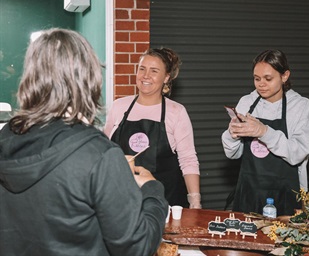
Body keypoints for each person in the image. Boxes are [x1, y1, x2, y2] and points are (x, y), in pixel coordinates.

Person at [0, 28, 169, 256]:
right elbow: (136, 246)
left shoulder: (6, 138)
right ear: (87, 79)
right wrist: (153, 191)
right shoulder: (99, 154)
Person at [104, 47, 201, 209]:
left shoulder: (176, 111)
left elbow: (188, 160)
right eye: (142, 69)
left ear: (166, 77)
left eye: (154, 71)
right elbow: (105, 152)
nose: (146, 76)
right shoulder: (118, 107)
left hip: (164, 201)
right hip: (121, 201)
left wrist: (195, 201)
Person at [222, 49, 309, 216]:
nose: (261, 84)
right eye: (256, 79)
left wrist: (264, 131)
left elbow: (298, 153)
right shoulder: (247, 102)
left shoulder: (300, 106)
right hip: (249, 192)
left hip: (285, 194)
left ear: (285, 76)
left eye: (268, 78)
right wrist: (232, 135)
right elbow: (232, 154)